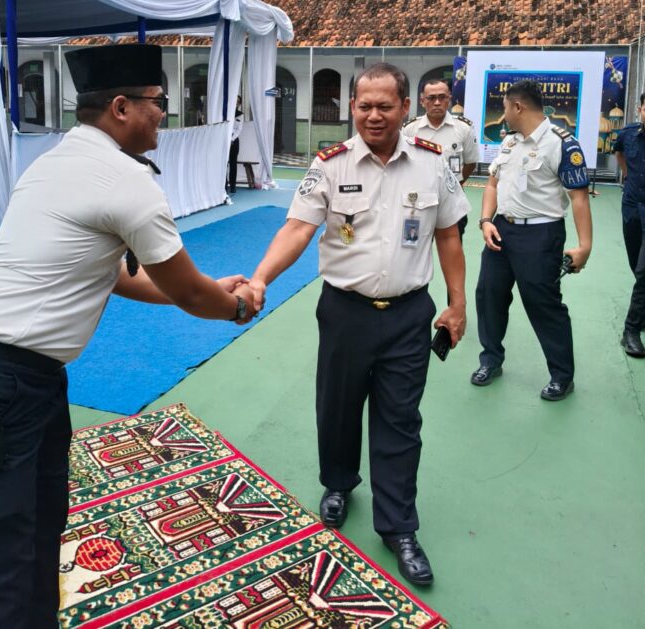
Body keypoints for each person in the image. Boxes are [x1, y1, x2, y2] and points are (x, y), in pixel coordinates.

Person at [0, 44, 257, 629]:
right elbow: (185, 293)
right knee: (5, 549)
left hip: (25, 375)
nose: (166, 114)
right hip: (3, 380)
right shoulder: (123, 181)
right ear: (123, 107)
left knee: (39, 522)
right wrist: (233, 305)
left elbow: (120, 274)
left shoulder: (58, 161)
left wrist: (210, 285)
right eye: (159, 102)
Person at [249, 63, 470, 587]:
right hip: (345, 311)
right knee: (338, 407)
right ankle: (339, 483)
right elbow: (298, 229)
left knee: (400, 421)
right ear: (352, 108)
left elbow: (449, 238)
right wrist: (259, 278)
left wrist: (457, 305)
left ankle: (398, 528)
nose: (373, 115)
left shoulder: (433, 165)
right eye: (364, 106)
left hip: (409, 313)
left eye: (384, 106)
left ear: (405, 109)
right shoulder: (329, 164)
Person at [473, 79, 592, 400]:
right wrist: (485, 221)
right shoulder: (510, 143)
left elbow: (579, 198)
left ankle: (562, 376)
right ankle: (491, 360)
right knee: (489, 296)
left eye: (505, 108)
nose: (503, 114)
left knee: (543, 305)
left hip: (541, 234)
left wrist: (585, 246)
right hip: (501, 231)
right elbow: (493, 184)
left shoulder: (562, 143)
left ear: (518, 106)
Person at [402, 78, 479, 238]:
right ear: (422, 101)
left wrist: (455, 184)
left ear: (449, 99)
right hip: (418, 200)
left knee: (453, 244)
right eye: (431, 98)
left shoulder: (464, 128)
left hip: (452, 200)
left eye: (442, 97)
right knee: (413, 246)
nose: (437, 102)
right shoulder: (410, 129)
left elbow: (470, 162)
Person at [613, 94, 645, 358]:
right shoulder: (628, 133)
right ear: (640, 109)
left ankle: (631, 331)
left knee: (644, 271)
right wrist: (627, 176)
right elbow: (620, 154)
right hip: (632, 207)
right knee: (637, 266)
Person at [227, 96, 244, 194]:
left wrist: (232, 139)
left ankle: (233, 186)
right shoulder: (225, 112)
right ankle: (224, 186)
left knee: (233, 164)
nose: (236, 103)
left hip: (234, 142)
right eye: (234, 101)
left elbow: (239, 129)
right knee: (224, 164)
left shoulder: (240, 115)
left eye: (238, 102)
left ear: (239, 104)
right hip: (224, 141)